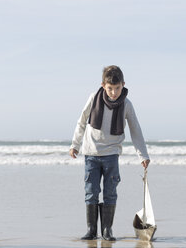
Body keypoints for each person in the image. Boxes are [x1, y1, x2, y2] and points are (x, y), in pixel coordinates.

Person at [69, 65, 150, 241]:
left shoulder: (127, 105)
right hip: (91, 153)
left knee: (110, 192)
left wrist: (142, 155)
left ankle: (107, 230)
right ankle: (91, 230)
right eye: (110, 88)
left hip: (112, 155)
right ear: (103, 85)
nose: (114, 93)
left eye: (117, 88)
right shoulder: (93, 98)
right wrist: (75, 145)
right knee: (91, 191)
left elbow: (136, 130)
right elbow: (81, 121)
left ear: (123, 85)